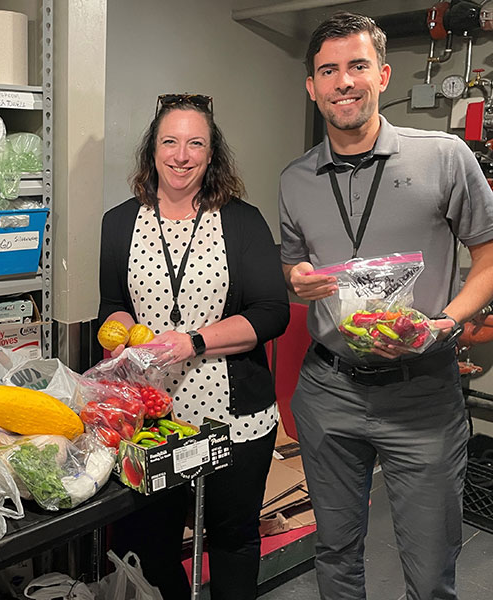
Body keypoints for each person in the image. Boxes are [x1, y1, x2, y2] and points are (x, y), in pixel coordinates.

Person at [279, 12, 493, 600]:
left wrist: (448, 322)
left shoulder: (445, 156)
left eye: (356, 66)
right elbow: (293, 263)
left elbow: (489, 257)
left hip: (421, 389)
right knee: (336, 553)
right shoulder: (296, 178)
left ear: (382, 74)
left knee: (429, 570)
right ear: (312, 86)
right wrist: (295, 279)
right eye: (328, 70)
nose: (343, 81)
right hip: (329, 392)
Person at [99, 93, 289, 599]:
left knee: (231, 537)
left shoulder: (242, 221)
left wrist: (195, 341)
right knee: (151, 540)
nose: (181, 155)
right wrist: (119, 333)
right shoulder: (118, 222)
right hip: (152, 417)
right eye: (170, 141)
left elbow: (272, 313)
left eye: (195, 143)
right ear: (152, 150)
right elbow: (113, 302)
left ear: (211, 154)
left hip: (234, 415)